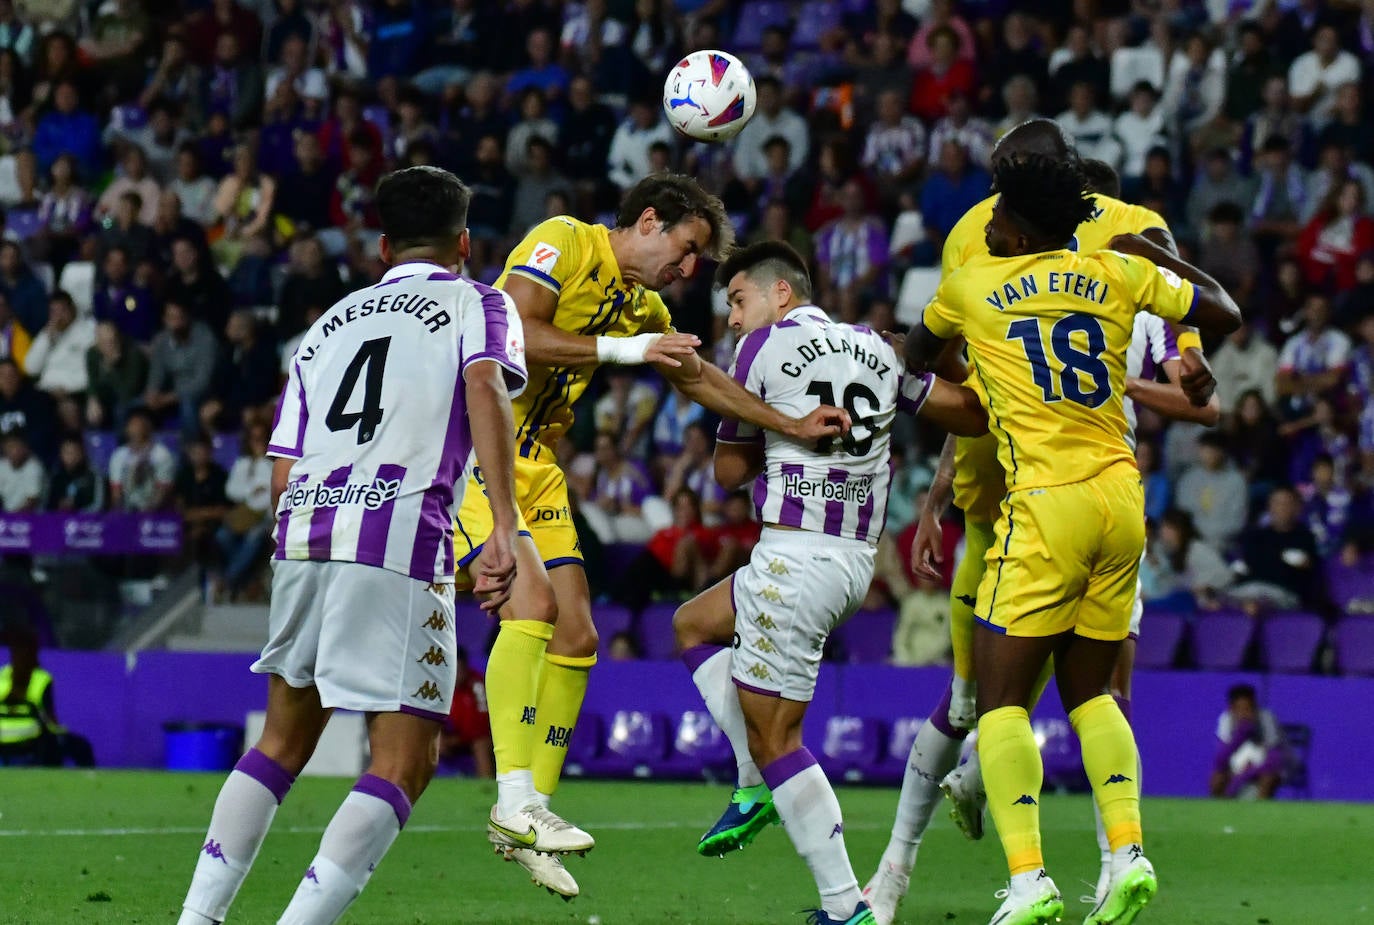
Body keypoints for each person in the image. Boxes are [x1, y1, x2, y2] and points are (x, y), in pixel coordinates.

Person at [452, 173, 849, 900]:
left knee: (577, 635)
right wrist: (629, 352)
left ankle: (529, 813)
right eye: (687, 248)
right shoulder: (563, 240)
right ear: (647, 221)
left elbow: (699, 380)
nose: (690, 269)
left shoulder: (646, 307)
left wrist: (787, 424)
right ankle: (510, 799)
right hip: (475, 447)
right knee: (531, 609)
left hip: (534, 465)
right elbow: (516, 332)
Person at [864, 129, 1218, 925]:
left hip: (1031, 505)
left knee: (993, 701)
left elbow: (926, 364)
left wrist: (907, 378)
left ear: (1024, 206)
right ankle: (1125, 854)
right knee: (1093, 693)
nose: (989, 210)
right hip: (1115, 497)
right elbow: (1207, 318)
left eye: (1001, 191)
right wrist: (939, 499)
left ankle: (1030, 880)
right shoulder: (1121, 255)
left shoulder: (987, 264)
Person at [175, 166, 526, 925]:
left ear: (380, 246)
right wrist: (507, 525)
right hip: (397, 535)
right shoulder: (478, 302)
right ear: (464, 242)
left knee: (278, 741)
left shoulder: (326, 326)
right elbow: (485, 388)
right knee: (405, 758)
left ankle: (196, 919)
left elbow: (282, 470)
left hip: (304, 533)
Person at [672, 240, 986, 925]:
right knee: (693, 624)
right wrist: (945, 359)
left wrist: (771, 432)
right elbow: (969, 411)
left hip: (795, 557)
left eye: (737, 299)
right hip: (850, 561)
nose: (732, 317)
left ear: (780, 293)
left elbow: (727, 474)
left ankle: (848, 907)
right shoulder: (879, 348)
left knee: (778, 738)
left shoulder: (760, 350)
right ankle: (754, 786)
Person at [0, 626, 95, 767]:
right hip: (30, 742)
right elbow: (50, 721)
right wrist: (61, 729)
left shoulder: (2, 675)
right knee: (78, 746)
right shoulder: (42, 678)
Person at [1210, 684, 1285, 799]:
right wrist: (1241, 734)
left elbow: (1273, 759)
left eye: (1249, 708)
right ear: (1231, 709)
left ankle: (1260, 812)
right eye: (1240, 709)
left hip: (1262, 768)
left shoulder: (1266, 718)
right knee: (1217, 778)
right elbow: (1221, 760)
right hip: (1236, 768)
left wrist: (1244, 775)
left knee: (1268, 778)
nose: (1245, 713)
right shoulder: (1226, 719)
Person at [441, 646, 494, 779]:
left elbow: (481, 725)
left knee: (480, 744)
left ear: (465, 668)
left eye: (460, 669)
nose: (457, 674)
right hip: (449, 738)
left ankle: (486, 784)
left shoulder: (477, 686)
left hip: (475, 738)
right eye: (453, 669)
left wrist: (455, 740)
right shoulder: (438, 686)